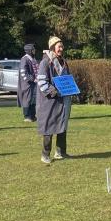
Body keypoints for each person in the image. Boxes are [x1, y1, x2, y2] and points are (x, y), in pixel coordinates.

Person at [36, 36, 72, 164]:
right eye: (59, 47)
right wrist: (54, 91)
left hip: (63, 101)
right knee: (49, 128)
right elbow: (41, 82)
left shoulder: (63, 61)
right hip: (49, 102)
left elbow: (67, 79)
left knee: (63, 126)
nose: (61, 49)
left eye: (62, 46)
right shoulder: (46, 62)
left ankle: (60, 152)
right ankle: (45, 154)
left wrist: (72, 88)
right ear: (52, 48)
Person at [18, 44, 38, 122]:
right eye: (33, 50)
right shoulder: (25, 59)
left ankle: (33, 116)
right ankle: (27, 116)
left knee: (33, 100)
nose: (34, 51)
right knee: (27, 99)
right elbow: (23, 72)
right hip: (27, 84)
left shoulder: (32, 59)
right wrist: (32, 79)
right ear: (29, 51)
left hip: (33, 83)